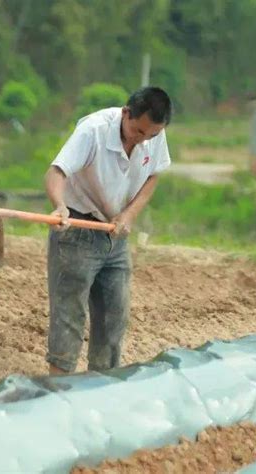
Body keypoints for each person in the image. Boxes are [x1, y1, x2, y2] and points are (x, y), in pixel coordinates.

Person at [44, 86, 172, 375]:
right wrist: (60, 206)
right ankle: (57, 389)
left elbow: (153, 176)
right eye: (138, 132)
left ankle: (102, 385)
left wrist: (129, 214)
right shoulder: (93, 130)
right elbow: (56, 171)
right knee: (69, 315)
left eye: (150, 136)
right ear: (126, 113)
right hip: (77, 229)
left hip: (115, 233)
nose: (143, 141)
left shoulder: (154, 134)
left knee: (114, 315)